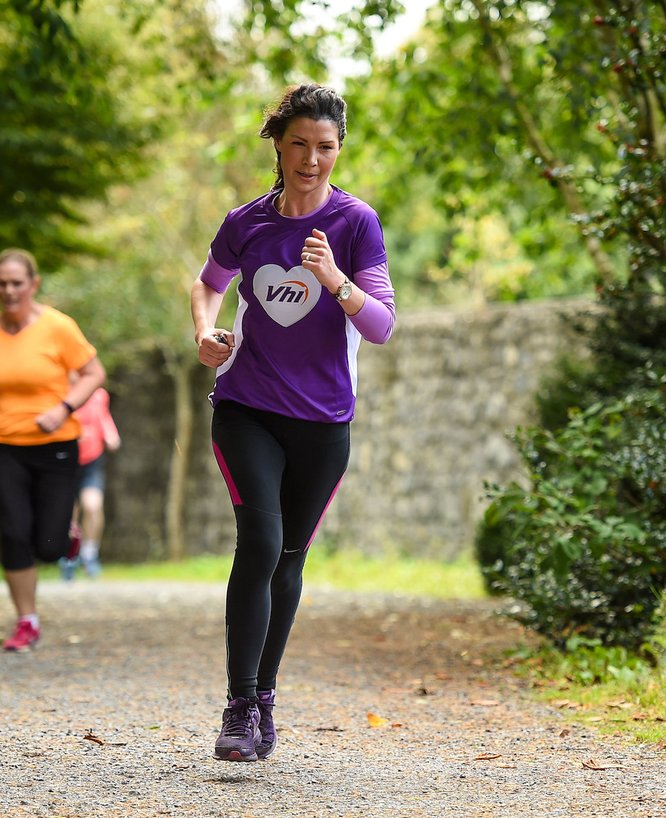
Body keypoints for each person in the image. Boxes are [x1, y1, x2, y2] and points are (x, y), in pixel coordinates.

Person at [190, 83, 397, 762]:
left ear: (340, 149)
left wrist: (336, 279)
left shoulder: (356, 223)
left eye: (326, 146)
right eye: (300, 144)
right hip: (246, 406)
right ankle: (239, 705)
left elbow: (382, 325)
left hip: (323, 421)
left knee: (288, 559)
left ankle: (266, 698)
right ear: (278, 145)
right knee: (260, 540)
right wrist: (205, 333)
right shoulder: (246, 221)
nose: (312, 159)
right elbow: (208, 283)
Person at [0, 247, 107, 652]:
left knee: (49, 545)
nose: (9, 291)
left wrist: (63, 409)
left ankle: (67, 535)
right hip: (2, 443)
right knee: (12, 531)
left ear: (33, 284)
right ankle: (26, 620)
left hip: (56, 443)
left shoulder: (58, 328)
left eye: (16, 283)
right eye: (1, 284)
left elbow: (95, 373)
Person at [59, 380, 121, 580]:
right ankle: (69, 557)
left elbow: (103, 419)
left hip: (91, 462)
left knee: (93, 507)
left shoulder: (98, 394)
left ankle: (90, 553)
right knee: (69, 513)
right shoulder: (60, 392)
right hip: (66, 461)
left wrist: (111, 435)